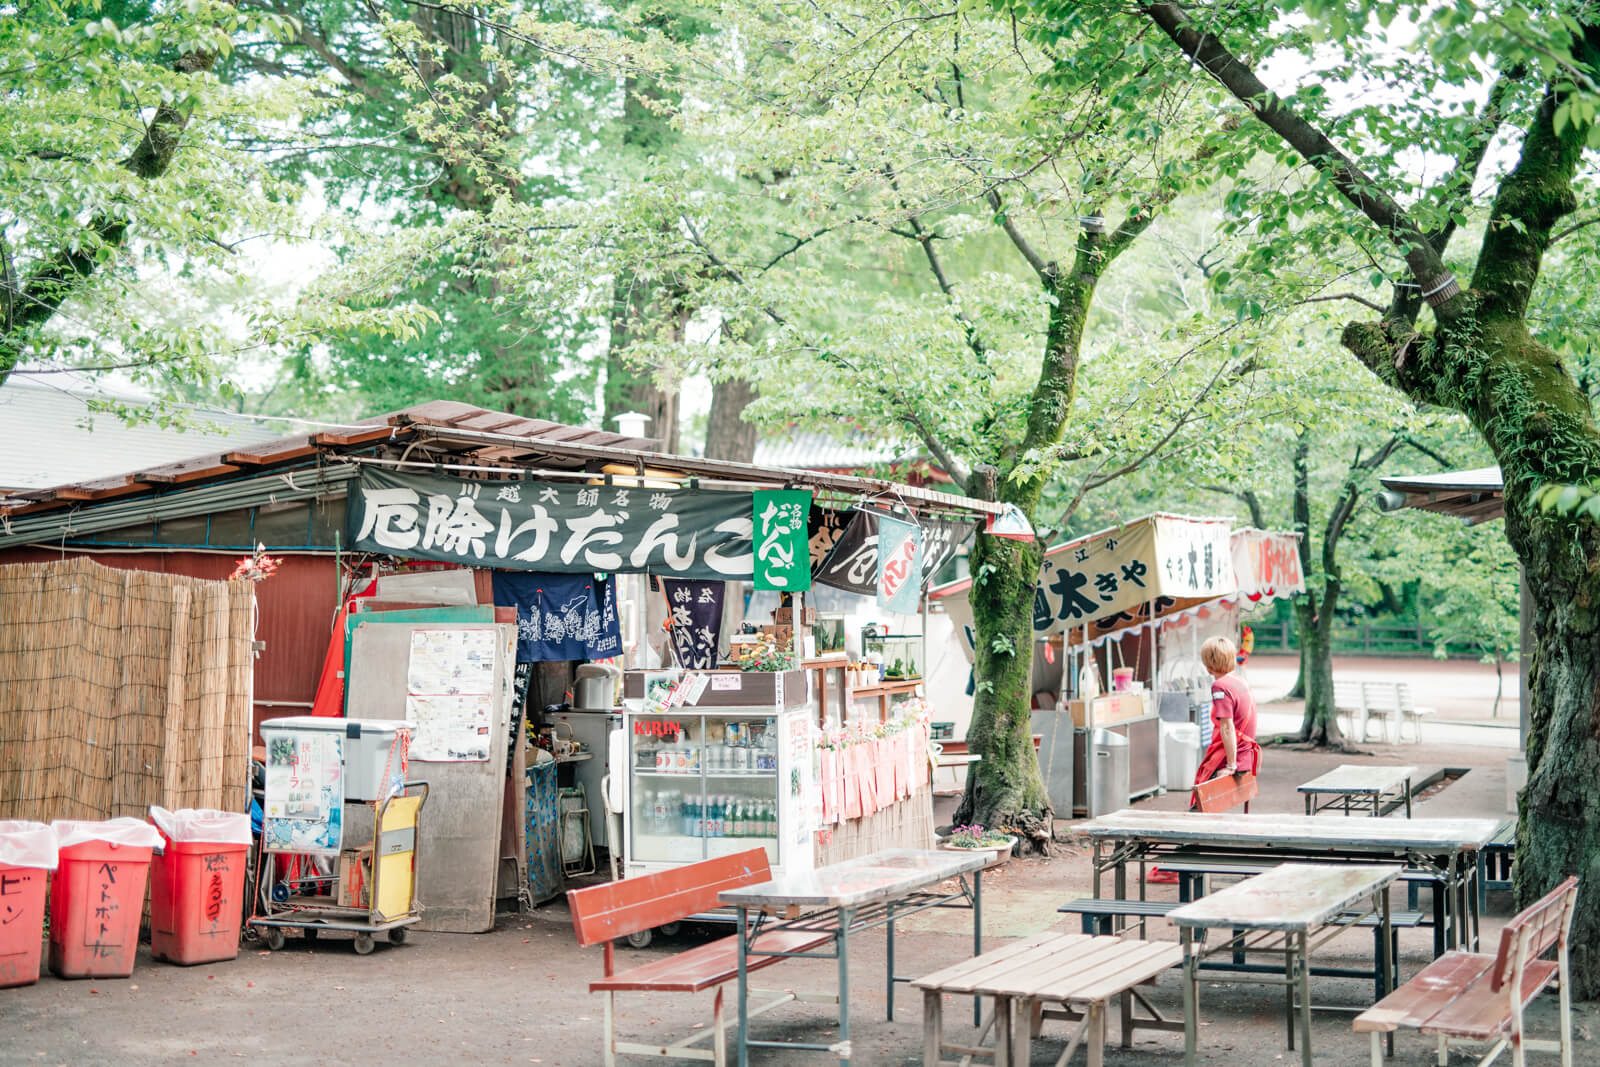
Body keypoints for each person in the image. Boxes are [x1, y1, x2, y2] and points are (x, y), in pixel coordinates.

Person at [1191, 634, 1261, 808]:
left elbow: (1227, 727)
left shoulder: (1219, 686)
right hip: (1247, 753)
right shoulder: (1240, 680)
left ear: (1208, 665)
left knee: (1198, 808)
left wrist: (1231, 765)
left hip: (1232, 756)